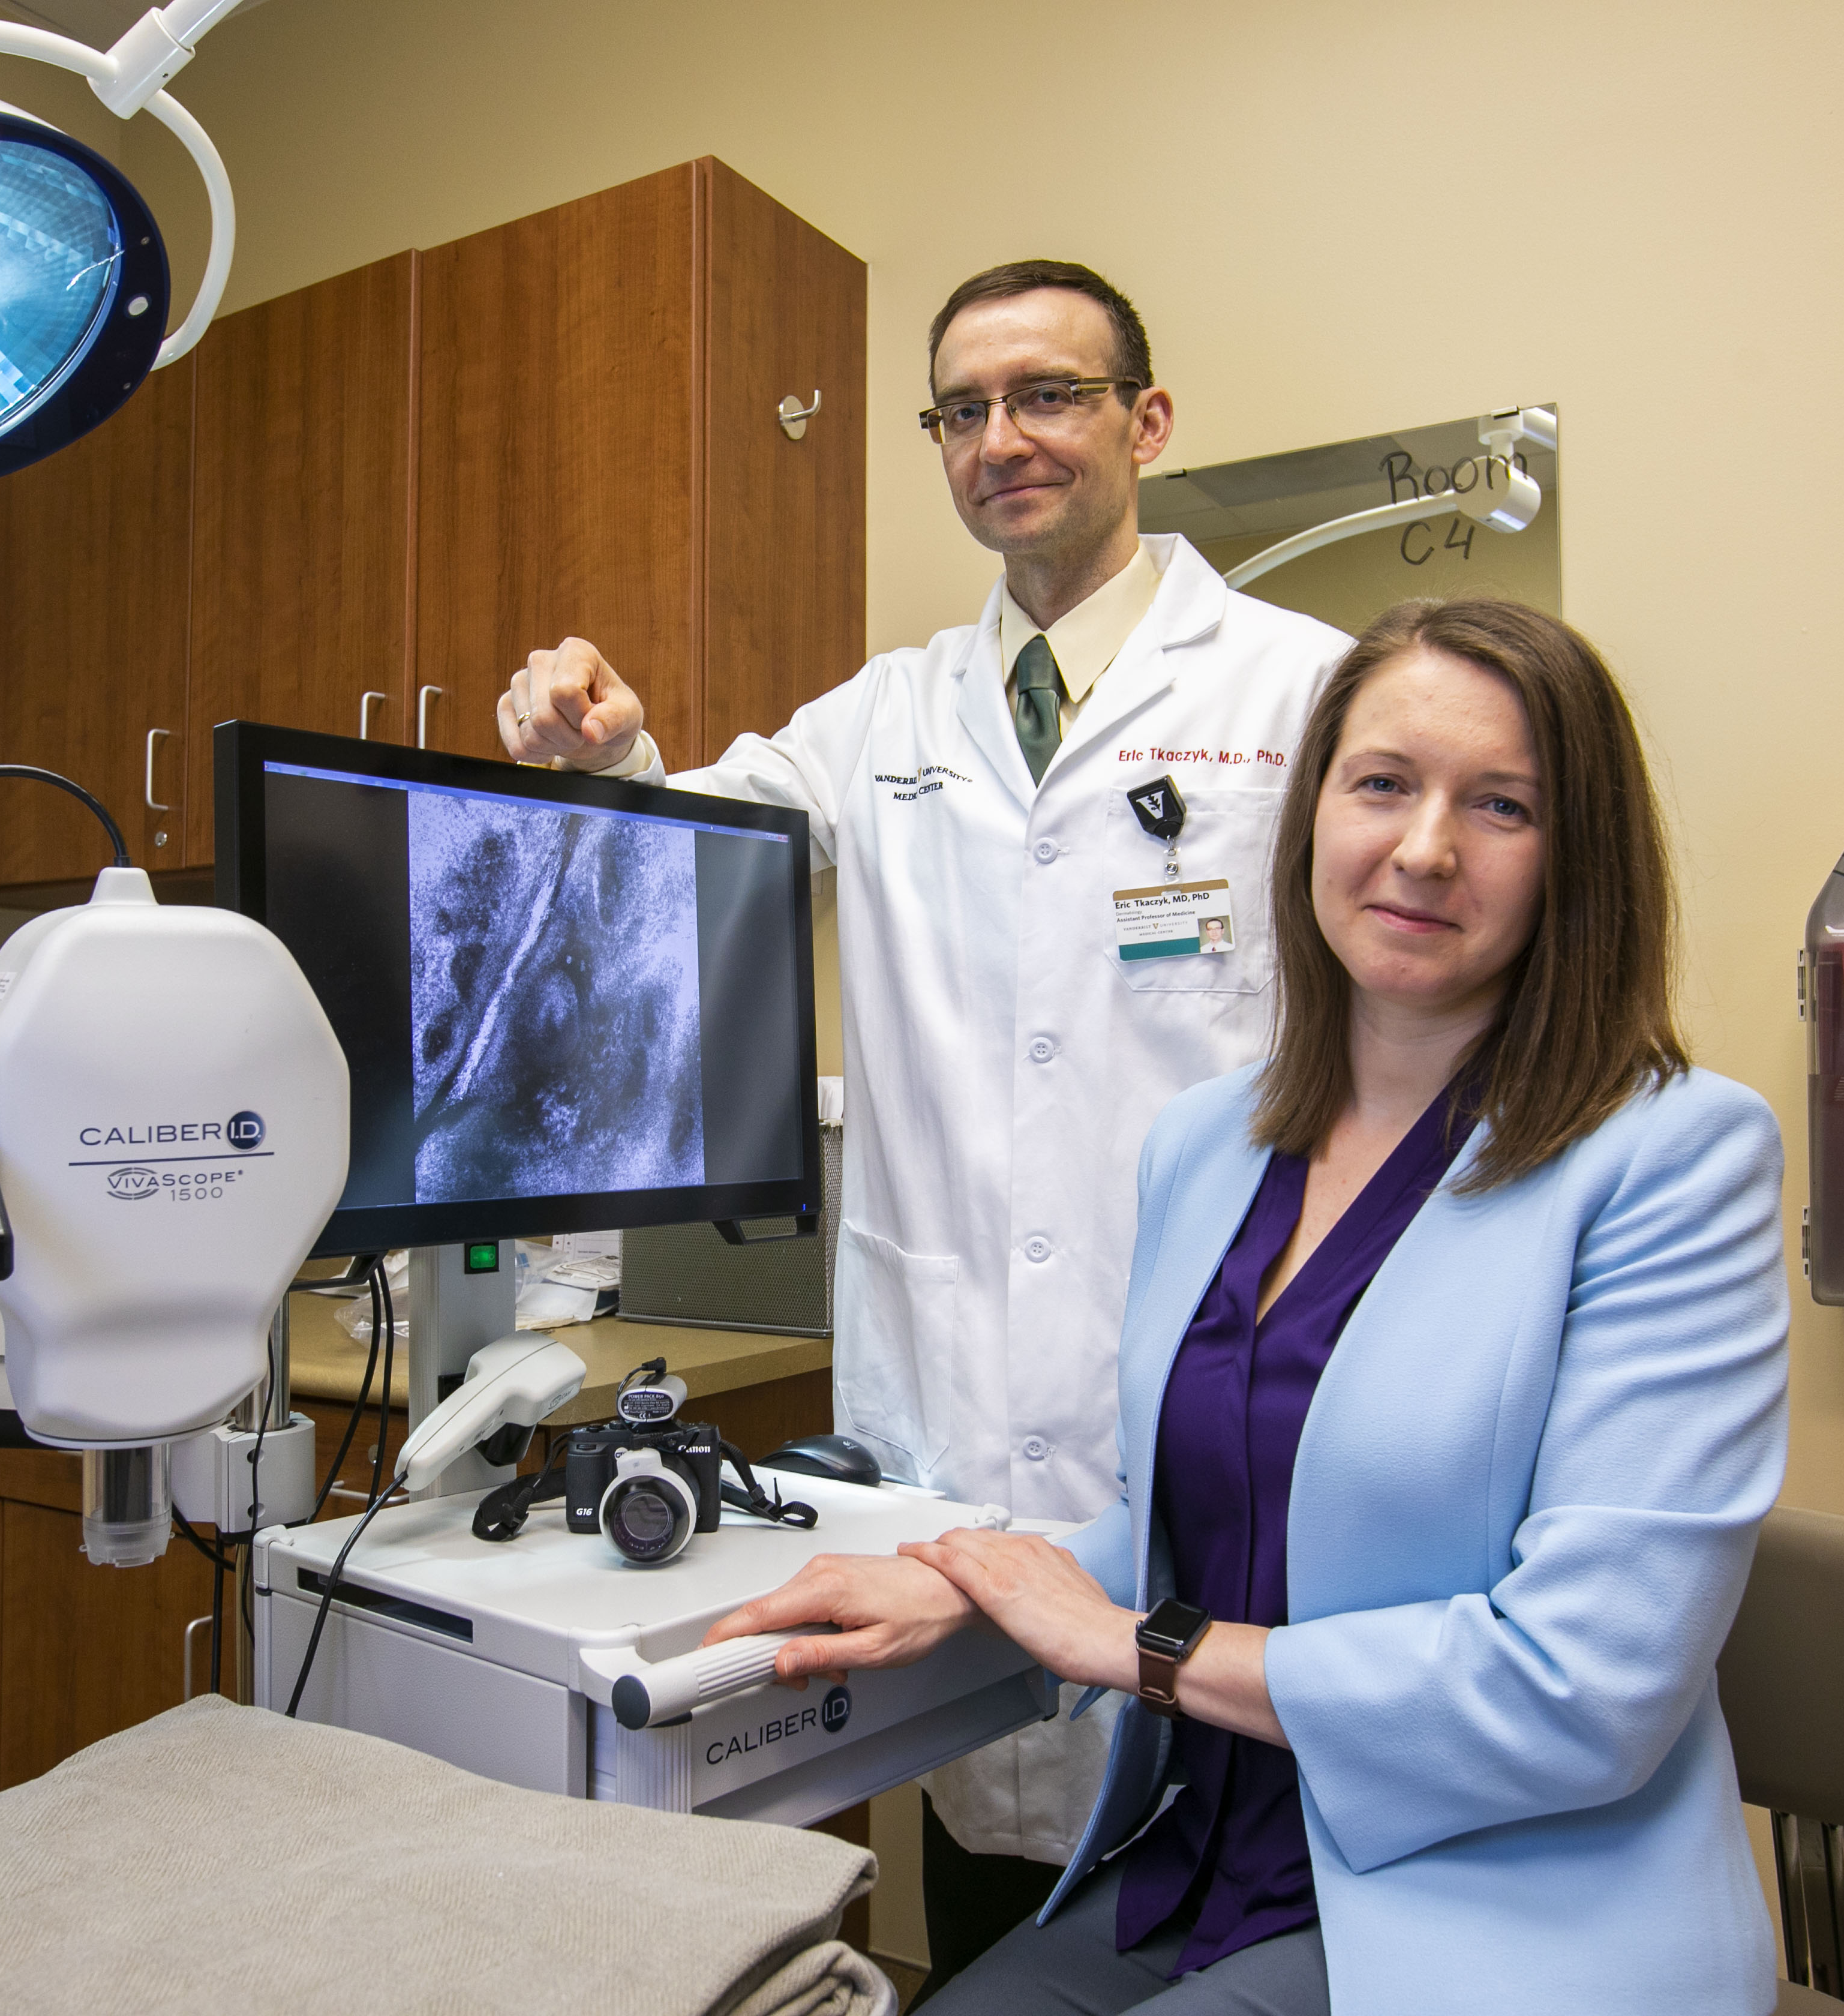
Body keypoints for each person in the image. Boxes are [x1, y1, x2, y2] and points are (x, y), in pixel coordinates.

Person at [704, 597, 1792, 2015]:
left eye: (1503, 806)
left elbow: (1584, 1690)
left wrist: (1138, 1648)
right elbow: (1196, 1524)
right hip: (1201, 1856)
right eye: (1383, 784)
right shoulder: (1209, 1145)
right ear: (1312, 815)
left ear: (1574, 862)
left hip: (1494, 1899)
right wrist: (962, 1578)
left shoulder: (1671, 1159)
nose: (1424, 848)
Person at [496, 261, 1353, 1977]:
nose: (1001, 439)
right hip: (954, 1425)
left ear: (1146, 422)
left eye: (1048, 394)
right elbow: (692, 859)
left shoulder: (1304, 692)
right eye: (962, 411)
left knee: (1246, 1906)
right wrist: (597, 745)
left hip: (1227, 1425)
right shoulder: (881, 719)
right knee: (989, 1897)